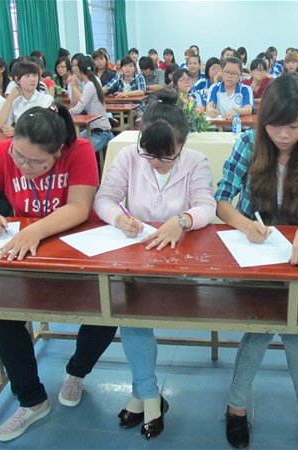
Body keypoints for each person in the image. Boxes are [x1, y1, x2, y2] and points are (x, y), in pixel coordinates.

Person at [0, 104, 118, 442]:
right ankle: (32, 400)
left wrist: (35, 231)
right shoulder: (4, 152)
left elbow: (79, 207)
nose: (24, 166)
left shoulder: (79, 151)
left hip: (77, 253)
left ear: (57, 152)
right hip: (25, 255)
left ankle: (77, 371)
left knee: (108, 308)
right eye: (20, 157)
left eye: (36, 162)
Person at [216, 74, 298, 450]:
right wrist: (244, 224)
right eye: (274, 125)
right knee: (285, 327)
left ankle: (237, 408)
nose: (283, 135)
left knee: (276, 325)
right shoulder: (248, 144)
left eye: (294, 126)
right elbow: (221, 199)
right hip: (253, 262)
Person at [93, 89, 216, 440]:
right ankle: (149, 396)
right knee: (131, 314)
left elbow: (207, 205)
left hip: (181, 265)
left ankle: (141, 395)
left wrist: (183, 220)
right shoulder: (129, 157)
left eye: (166, 157)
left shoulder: (195, 162)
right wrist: (119, 218)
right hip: (137, 259)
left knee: (134, 315)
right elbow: (104, 198)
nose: (155, 163)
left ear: (182, 144)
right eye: (149, 154)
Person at [0, 60, 54, 137]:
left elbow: (43, 128)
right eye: (27, 76)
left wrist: (18, 131)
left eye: (35, 75)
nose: (32, 79)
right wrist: (10, 98)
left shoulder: (46, 100)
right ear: (17, 79)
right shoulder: (15, 101)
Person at [68, 56, 114, 153]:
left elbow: (78, 109)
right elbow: (78, 102)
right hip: (92, 129)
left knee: (80, 153)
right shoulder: (94, 81)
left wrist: (63, 113)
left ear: (79, 70)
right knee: (70, 144)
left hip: (101, 133)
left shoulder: (90, 85)